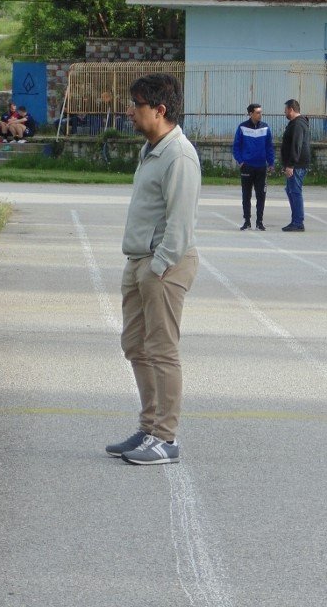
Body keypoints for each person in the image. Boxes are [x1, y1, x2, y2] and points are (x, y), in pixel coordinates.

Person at [106, 73, 200, 465]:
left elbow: (180, 225)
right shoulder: (152, 149)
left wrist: (157, 267)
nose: (130, 111)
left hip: (164, 265)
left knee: (162, 352)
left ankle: (166, 438)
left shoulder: (178, 155)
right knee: (136, 346)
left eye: (137, 105)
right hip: (140, 261)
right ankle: (148, 428)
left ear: (159, 111)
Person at [232, 103, 275, 231]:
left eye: (261, 112)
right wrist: (240, 161)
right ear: (250, 114)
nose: (260, 114)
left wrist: (271, 163)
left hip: (261, 166)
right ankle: (247, 221)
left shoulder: (265, 128)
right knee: (246, 195)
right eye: (257, 112)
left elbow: (269, 147)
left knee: (261, 195)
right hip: (247, 167)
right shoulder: (242, 127)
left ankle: (259, 221)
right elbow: (236, 147)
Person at [281, 98, 311, 232]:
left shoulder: (298, 124)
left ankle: (298, 222)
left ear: (291, 110)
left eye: (286, 110)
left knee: (295, 191)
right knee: (290, 190)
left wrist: (291, 165)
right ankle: (295, 220)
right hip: (294, 164)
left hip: (296, 165)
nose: (285, 113)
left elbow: (296, 145)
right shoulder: (296, 123)